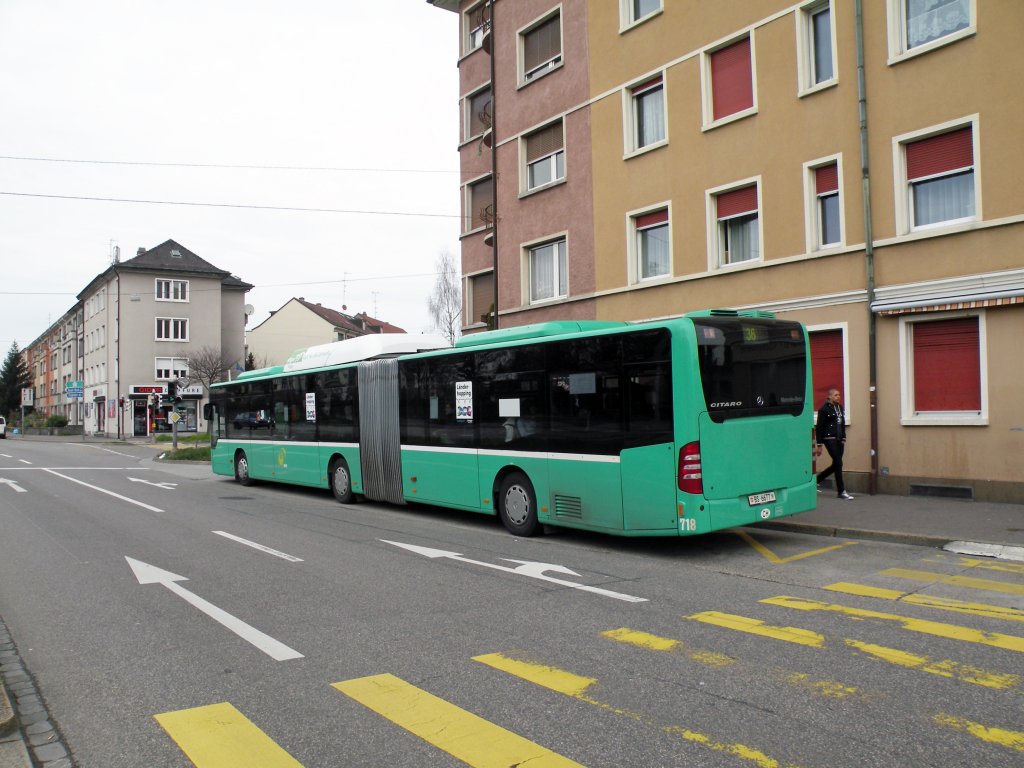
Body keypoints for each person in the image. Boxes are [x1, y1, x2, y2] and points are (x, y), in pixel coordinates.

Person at [816, 387, 853, 500]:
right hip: (829, 439)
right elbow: (820, 427)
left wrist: (843, 437)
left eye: (839, 395)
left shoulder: (840, 408)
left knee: (836, 464)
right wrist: (819, 444)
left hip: (839, 439)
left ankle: (816, 481)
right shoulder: (824, 410)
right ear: (830, 397)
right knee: (838, 462)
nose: (838, 396)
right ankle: (841, 491)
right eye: (836, 395)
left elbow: (842, 423)